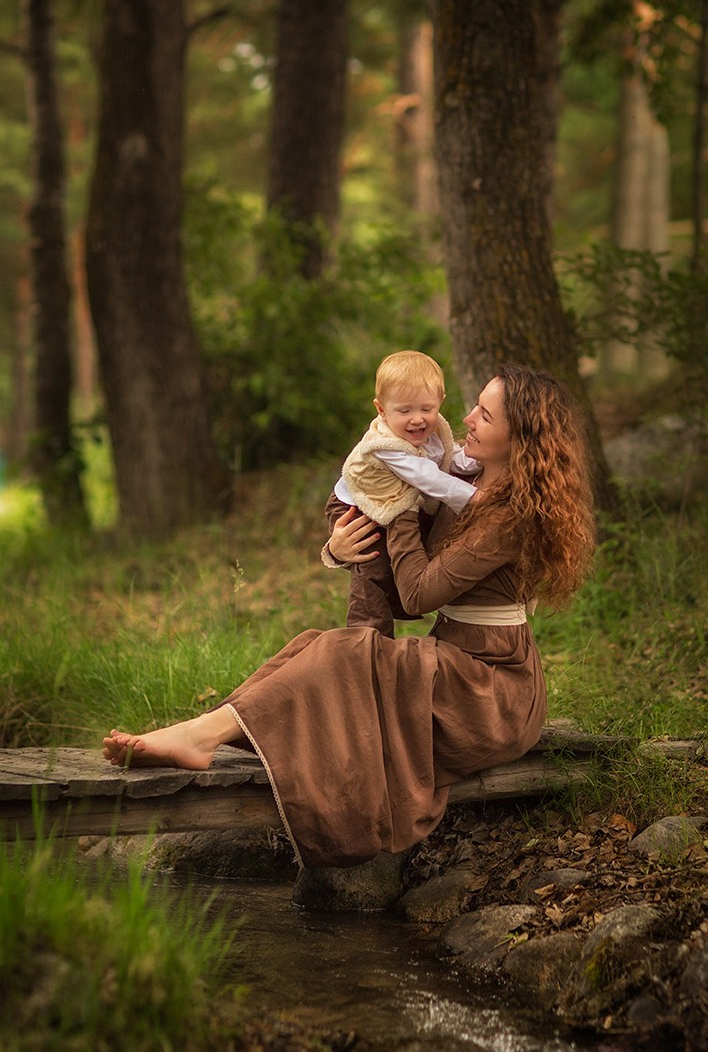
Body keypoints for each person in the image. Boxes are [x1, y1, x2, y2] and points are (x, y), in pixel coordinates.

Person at [103, 366, 597, 870]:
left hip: (491, 690)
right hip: (456, 665)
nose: (467, 417)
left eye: (485, 415)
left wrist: (395, 505)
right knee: (314, 643)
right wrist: (343, 549)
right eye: (475, 405)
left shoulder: (509, 516)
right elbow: (410, 592)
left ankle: (199, 736)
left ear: (520, 438)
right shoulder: (468, 482)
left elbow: (420, 592)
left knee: (342, 650)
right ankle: (211, 733)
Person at [322, 349, 479, 637]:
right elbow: (428, 476)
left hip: (397, 502)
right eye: (404, 411)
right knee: (371, 564)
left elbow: (450, 458)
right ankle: (367, 635)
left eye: (426, 409)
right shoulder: (386, 444)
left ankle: (407, 604)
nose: (417, 419)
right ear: (381, 409)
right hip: (355, 506)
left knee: (419, 544)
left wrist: (479, 460)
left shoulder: (430, 434)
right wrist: (473, 498)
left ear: (440, 401)